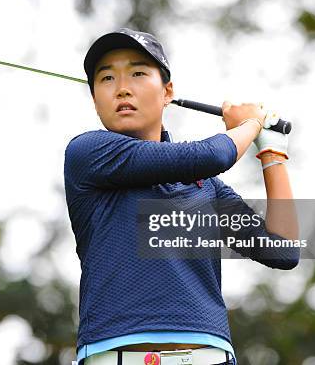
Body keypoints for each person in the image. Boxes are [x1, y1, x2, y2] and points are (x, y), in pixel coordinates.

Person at [63, 28, 299, 365]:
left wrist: (272, 153)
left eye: (138, 73)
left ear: (167, 91)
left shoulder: (204, 187)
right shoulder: (88, 154)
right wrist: (248, 125)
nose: (122, 87)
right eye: (106, 78)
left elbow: (284, 250)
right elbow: (213, 156)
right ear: (95, 98)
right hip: (114, 353)